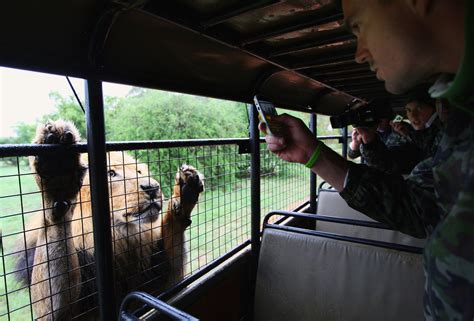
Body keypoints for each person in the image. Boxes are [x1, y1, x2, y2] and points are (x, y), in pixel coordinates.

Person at [260, 1, 474, 320]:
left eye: (358, 26)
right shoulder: (463, 120)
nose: (360, 53)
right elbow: (420, 205)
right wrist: (312, 155)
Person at [349, 117, 422, 174]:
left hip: (396, 176)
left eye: (381, 118)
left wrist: (368, 139)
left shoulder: (401, 129)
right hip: (374, 176)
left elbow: (392, 162)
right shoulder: (370, 131)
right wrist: (355, 142)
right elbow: (352, 155)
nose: (378, 121)